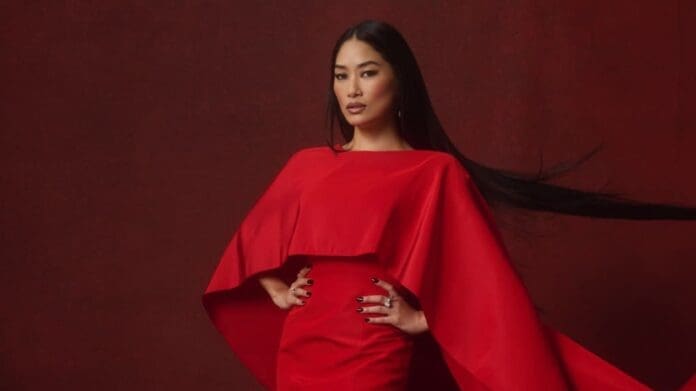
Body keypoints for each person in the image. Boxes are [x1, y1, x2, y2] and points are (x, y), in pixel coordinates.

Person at [202, 20, 696, 390]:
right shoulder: (307, 165)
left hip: (371, 349)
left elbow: (481, 282)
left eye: (367, 73)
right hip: (303, 347)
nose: (351, 90)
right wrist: (281, 291)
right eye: (341, 75)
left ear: (398, 84)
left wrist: (421, 320)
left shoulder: (432, 172)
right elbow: (251, 246)